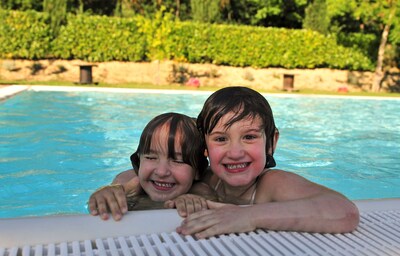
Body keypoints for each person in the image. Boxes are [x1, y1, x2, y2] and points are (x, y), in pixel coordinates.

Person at [173, 86, 360, 238]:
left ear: (271, 143)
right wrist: (192, 197)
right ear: (205, 146)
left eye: (249, 137)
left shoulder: (273, 184)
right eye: (221, 139)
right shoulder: (209, 178)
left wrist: (247, 215)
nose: (235, 153)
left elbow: (344, 211)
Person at [88, 112, 214, 221]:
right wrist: (104, 196)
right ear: (139, 160)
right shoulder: (126, 183)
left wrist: (194, 203)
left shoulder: (201, 191)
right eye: (151, 157)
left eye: (178, 161)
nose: (161, 172)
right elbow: (101, 209)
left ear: (197, 170)